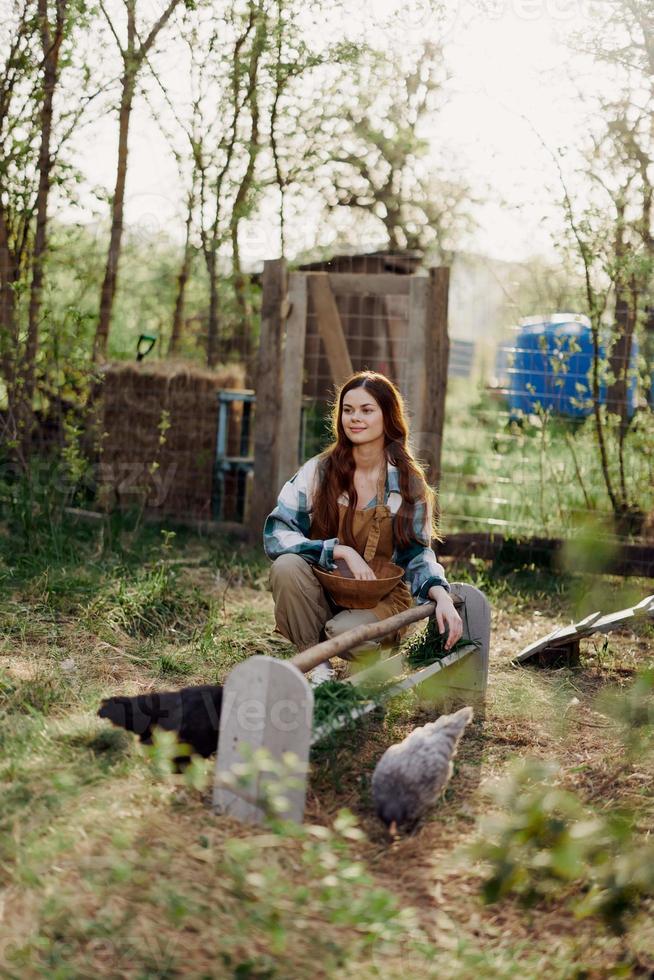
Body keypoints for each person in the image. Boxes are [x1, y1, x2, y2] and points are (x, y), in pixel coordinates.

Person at [263, 371, 463, 683]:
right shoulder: (319, 472)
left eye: (367, 410)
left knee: (343, 631)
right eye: (348, 410)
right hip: (325, 586)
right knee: (287, 567)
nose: (355, 418)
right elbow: (276, 533)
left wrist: (442, 595)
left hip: (380, 598)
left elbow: (416, 554)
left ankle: (368, 662)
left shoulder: (407, 483)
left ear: (388, 417)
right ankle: (316, 662)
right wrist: (338, 550)